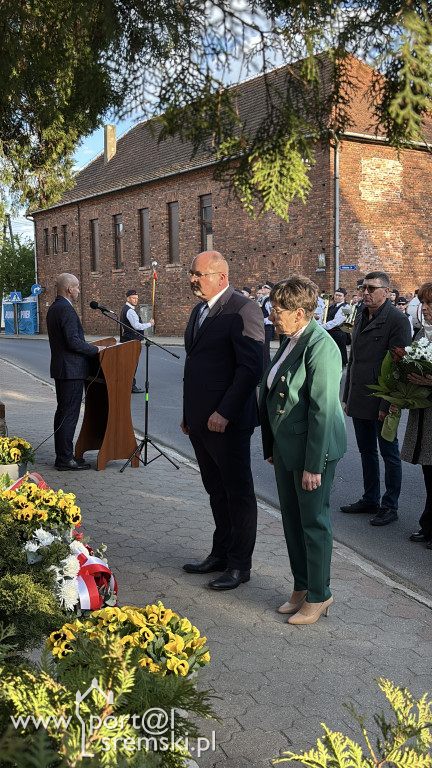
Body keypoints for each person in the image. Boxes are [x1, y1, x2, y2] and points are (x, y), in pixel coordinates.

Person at [259, 276, 346, 625]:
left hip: (314, 450)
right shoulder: (292, 338)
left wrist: (314, 465)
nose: (271, 315)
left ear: (299, 312)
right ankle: (301, 587)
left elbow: (322, 410)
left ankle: (320, 595)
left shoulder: (321, 345)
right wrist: (273, 446)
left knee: (313, 522)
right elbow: (274, 392)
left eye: (277, 310)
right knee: (293, 521)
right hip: (287, 447)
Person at [181, 250, 265, 590]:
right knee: (216, 490)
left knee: (238, 492)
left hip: (226, 422)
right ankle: (221, 553)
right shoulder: (199, 310)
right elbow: (196, 366)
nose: (193, 279)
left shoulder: (244, 309)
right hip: (200, 421)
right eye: (192, 273)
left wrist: (224, 412)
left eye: (199, 273)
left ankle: (240, 565)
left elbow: (251, 369)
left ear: (221, 277)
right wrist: (189, 415)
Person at [341, 271, 412, 525]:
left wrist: (387, 404)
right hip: (359, 395)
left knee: (388, 453)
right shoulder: (360, 313)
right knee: (366, 451)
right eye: (364, 288)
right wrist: (347, 394)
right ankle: (370, 498)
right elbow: (353, 359)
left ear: (387, 291)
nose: (366, 293)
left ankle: (389, 505)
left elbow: (397, 365)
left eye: (372, 288)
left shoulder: (397, 320)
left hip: (384, 399)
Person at [46, 273, 104, 470]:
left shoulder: (54, 308)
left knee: (62, 412)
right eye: (77, 287)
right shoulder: (66, 310)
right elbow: (73, 342)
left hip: (62, 369)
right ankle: (65, 459)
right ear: (69, 289)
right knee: (68, 414)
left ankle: (64, 455)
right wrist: (95, 349)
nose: (79, 291)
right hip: (70, 370)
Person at [397, 281, 432, 550]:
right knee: (428, 473)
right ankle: (428, 524)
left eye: (431, 304)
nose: (427, 309)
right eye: (424, 303)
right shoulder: (422, 334)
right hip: (424, 414)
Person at [119, 289, 154, 393]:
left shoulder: (126, 309)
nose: (136, 300)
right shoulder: (129, 311)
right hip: (131, 341)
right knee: (132, 364)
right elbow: (137, 326)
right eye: (133, 298)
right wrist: (149, 324)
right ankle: (131, 386)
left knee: (130, 364)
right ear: (128, 298)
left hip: (128, 340)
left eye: (137, 298)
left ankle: (128, 385)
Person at [320, 287, 349, 365]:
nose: (337, 297)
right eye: (336, 295)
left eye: (340, 295)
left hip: (339, 333)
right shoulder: (331, 307)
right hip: (330, 332)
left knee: (340, 353)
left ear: (344, 297)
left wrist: (323, 326)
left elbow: (337, 321)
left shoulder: (347, 307)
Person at [256, 282, 275, 367]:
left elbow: (271, 315)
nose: (263, 288)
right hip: (261, 327)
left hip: (266, 327)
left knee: (265, 350)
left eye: (266, 287)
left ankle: (266, 370)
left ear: (270, 291)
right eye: (263, 287)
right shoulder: (262, 299)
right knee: (261, 349)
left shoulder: (269, 300)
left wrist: (261, 320)